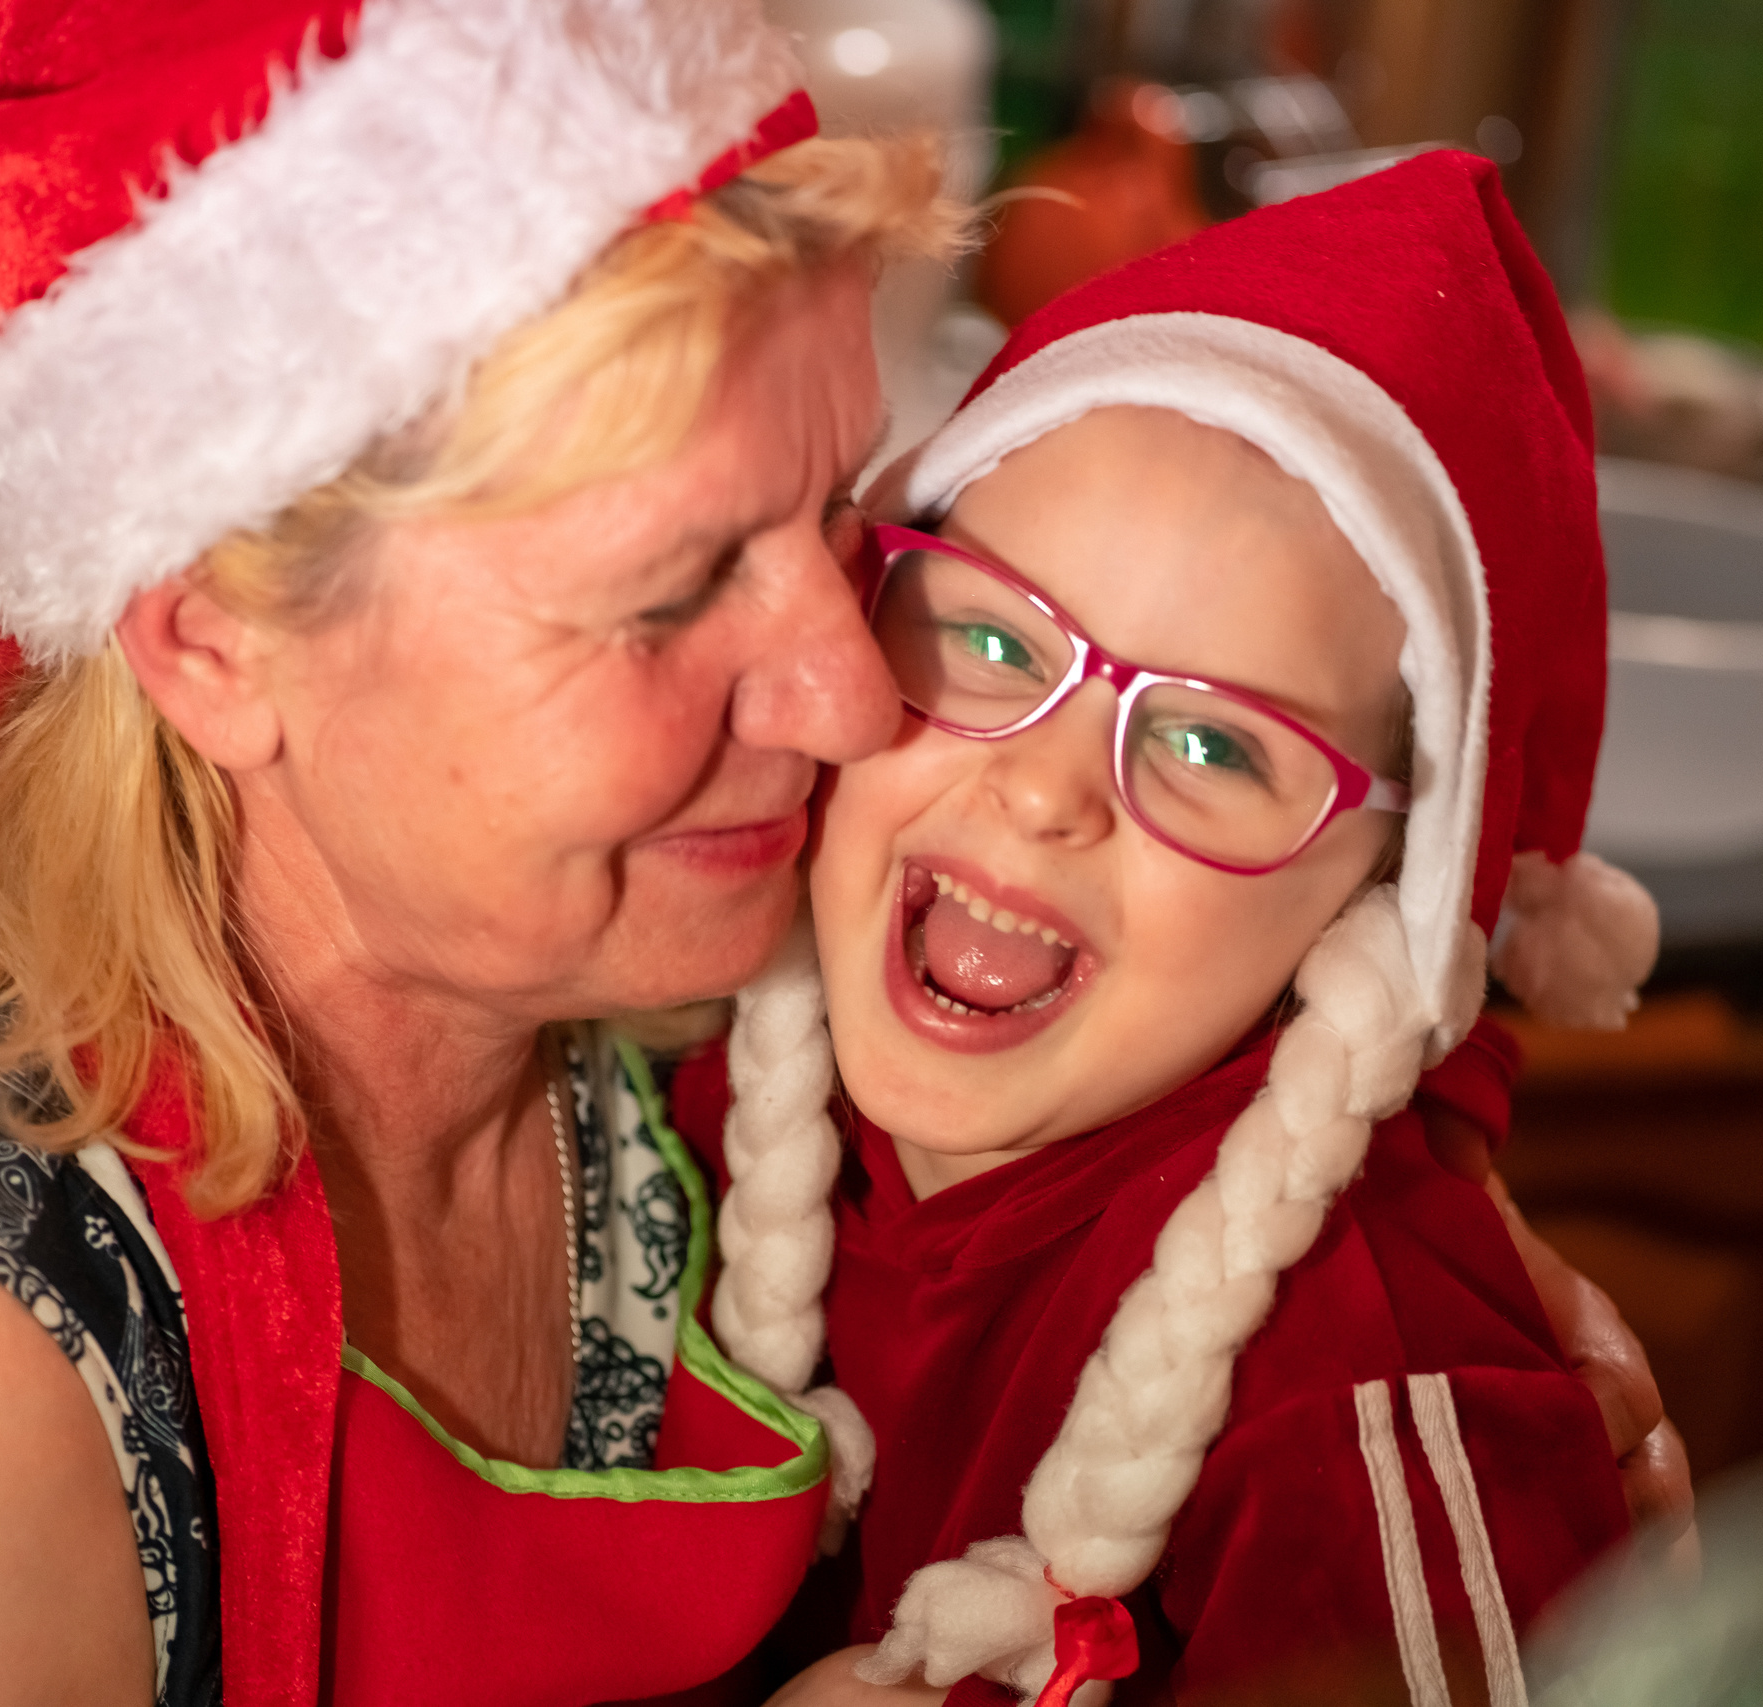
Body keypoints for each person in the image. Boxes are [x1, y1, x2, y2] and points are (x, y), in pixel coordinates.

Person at [0, 2, 1677, 1700]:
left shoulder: (679, 995)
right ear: (215, 638)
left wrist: (1410, 1269)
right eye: (671, 594)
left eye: (839, 518)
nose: (849, 698)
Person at [675, 152, 1686, 1705]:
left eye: (1215, 743)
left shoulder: (1355, 1391)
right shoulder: (677, 1086)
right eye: (993, 639)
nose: (1045, 791)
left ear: (1377, 890)